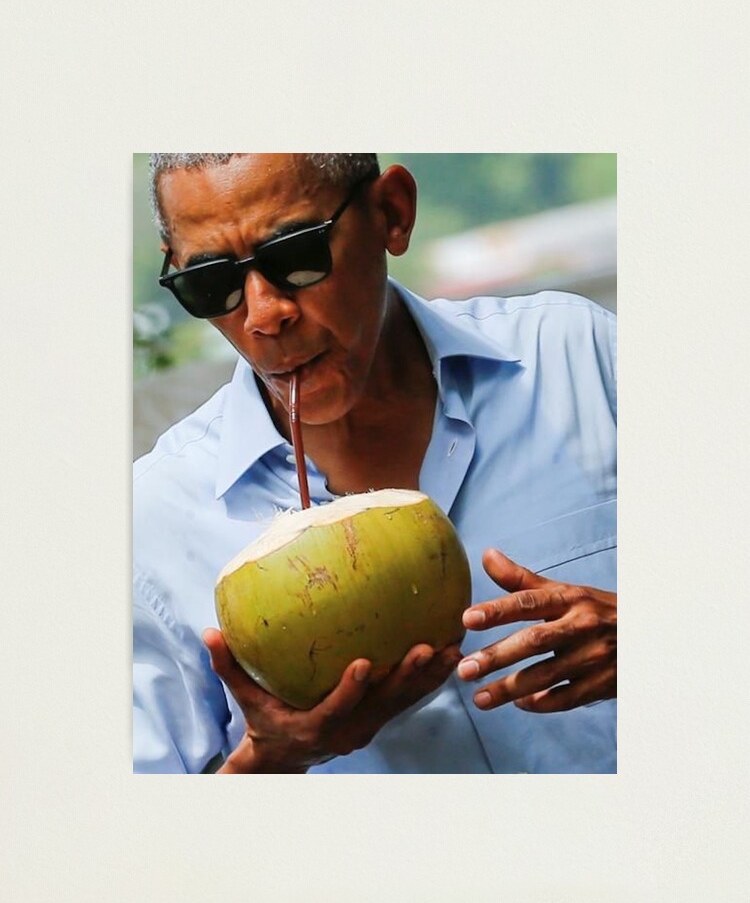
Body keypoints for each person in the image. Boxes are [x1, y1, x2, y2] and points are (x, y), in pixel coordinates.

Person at [133, 153, 617, 774]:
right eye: (210, 283)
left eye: (295, 254)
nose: (261, 314)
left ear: (392, 212)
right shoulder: (155, 522)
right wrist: (271, 759)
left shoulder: (581, 359)